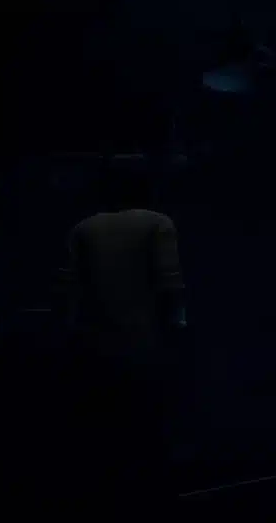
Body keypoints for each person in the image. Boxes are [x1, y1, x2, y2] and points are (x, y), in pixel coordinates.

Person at [59, 159, 186, 511]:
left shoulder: (83, 228)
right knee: (147, 437)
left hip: (94, 351)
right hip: (143, 349)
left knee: (104, 441)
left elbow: (69, 293)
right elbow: (170, 286)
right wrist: (176, 339)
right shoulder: (157, 223)